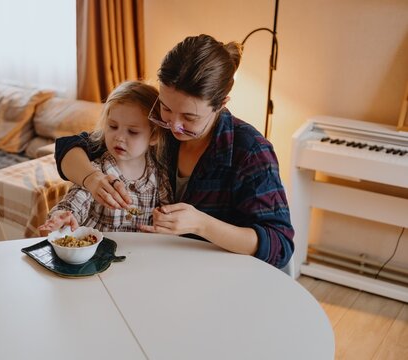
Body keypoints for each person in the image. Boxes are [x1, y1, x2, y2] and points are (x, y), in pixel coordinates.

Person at [54, 34, 294, 269]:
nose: (174, 126)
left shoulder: (249, 151)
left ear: (221, 104)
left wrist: (203, 225)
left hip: (216, 276)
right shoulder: (156, 126)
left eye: (189, 117)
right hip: (150, 266)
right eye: (166, 108)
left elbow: (279, 245)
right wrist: (92, 179)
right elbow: (71, 147)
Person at [39, 80, 171, 233]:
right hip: (97, 250)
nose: (119, 137)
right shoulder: (97, 168)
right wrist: (63, 216)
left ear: (154, 136)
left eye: (133, 132)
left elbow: (166, 213)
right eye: (113, 126)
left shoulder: (160, 175)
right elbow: (76, 200)